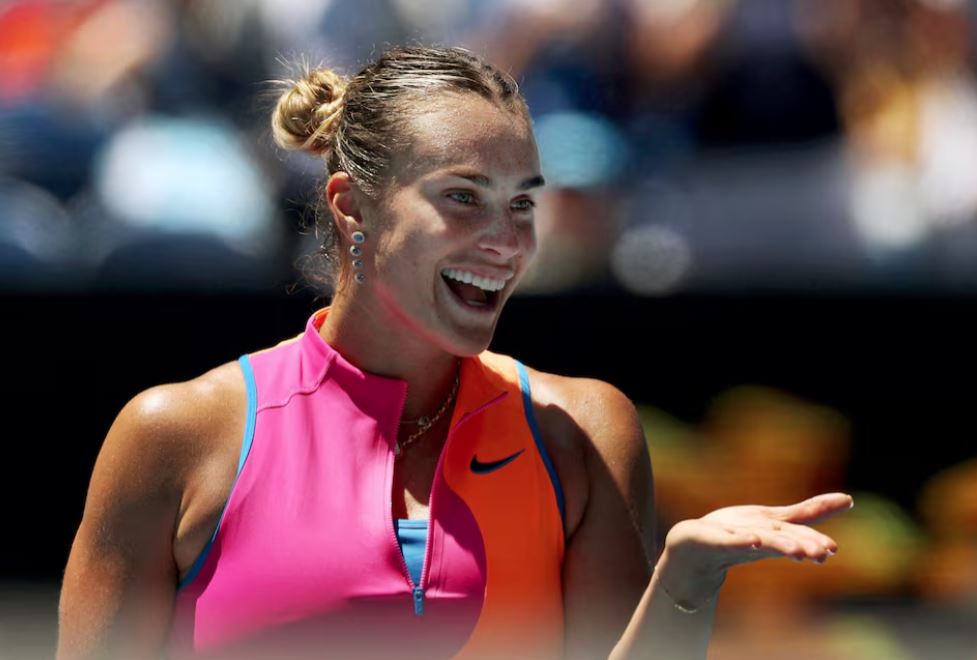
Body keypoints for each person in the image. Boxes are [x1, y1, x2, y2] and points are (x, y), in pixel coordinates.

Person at [57, 46, 853, 660]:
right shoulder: (175, 434)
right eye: (462, 197)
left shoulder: (584, 431)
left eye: (521, 203)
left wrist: (684, 583)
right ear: (352, 207)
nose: (506, 242)